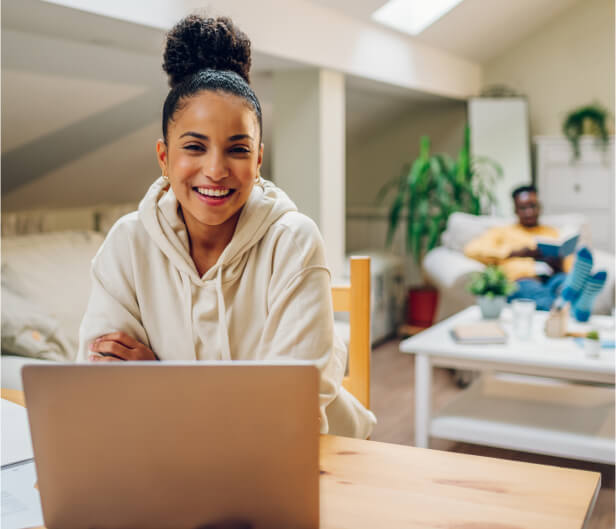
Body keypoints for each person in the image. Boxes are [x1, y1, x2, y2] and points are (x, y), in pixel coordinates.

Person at [77, 14, 375, 439]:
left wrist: (157, 382)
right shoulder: (128, 243)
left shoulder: (293, 242)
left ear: (257, 160)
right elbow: (99, 385)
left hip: (306, 463)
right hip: (170, 456)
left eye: (237, 149)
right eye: (194, 147)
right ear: (163, 156)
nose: (215, 171)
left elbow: (288, 410)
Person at [464, 185, 606, 317]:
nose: (529, 212)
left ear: (539, 207)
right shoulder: (502, 232)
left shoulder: (553, 233)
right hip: (522, 279)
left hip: (553, 277)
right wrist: (516, 252)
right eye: (523, 208)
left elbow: (567, 262)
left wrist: (559, 264)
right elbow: (472, 250)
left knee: (564, 282)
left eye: (533, 206)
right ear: (515, 210)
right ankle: (577, 308)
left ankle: (571, 293)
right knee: (539, 294)